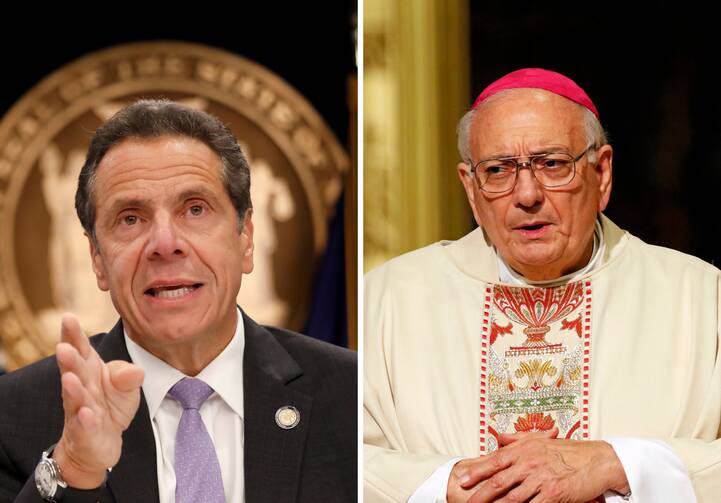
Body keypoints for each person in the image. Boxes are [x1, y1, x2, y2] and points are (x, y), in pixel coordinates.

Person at [364, 68, 721, 502]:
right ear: (472, 190)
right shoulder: (387, 301)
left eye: (552, 164)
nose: (527, 194)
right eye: (498, 170)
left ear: (602, 173)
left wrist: (621, 464)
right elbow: (335, 456)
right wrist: (448, 483)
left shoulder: (699, 297)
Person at [0, 99, 357, 503]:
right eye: (131, 218)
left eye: (195, 209)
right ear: (97, 259)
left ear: (246, 238)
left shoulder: (350, 395)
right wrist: (75, 467)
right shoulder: (12, 417)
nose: (165, 244)